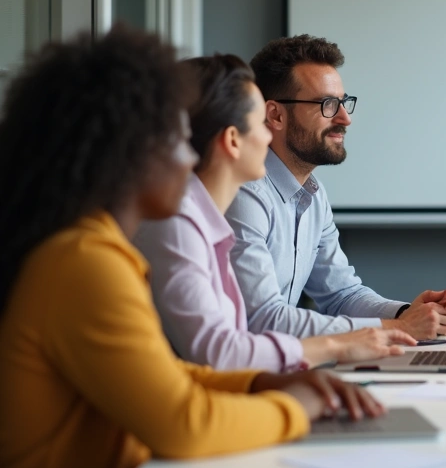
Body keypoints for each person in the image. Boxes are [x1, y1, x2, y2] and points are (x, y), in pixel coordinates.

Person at [0, 28, 385, 468]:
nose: (191, 160)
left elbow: (166, 375)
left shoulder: (90, 249)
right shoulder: (85, 262)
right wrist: (298, 408)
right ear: (127, 152)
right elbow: (185, 424)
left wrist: (260, 385)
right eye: (181, 140)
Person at [136, 54, 416, 371]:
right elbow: (223, 351)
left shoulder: (207, 218)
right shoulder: (181, 222)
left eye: (343, 103)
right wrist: (352, 341)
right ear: (234, 139)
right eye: (259, 123)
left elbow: (230, 349)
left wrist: (402, 317)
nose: (268, 137)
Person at [226, 35, 446, 339]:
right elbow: (263, 320)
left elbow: (341, 294)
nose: (345, 118)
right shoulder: (245, 193)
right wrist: (398, 327)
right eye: (327, 104)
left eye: (343, 102)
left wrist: (405, 313)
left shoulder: (313, 195)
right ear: (275, 115)